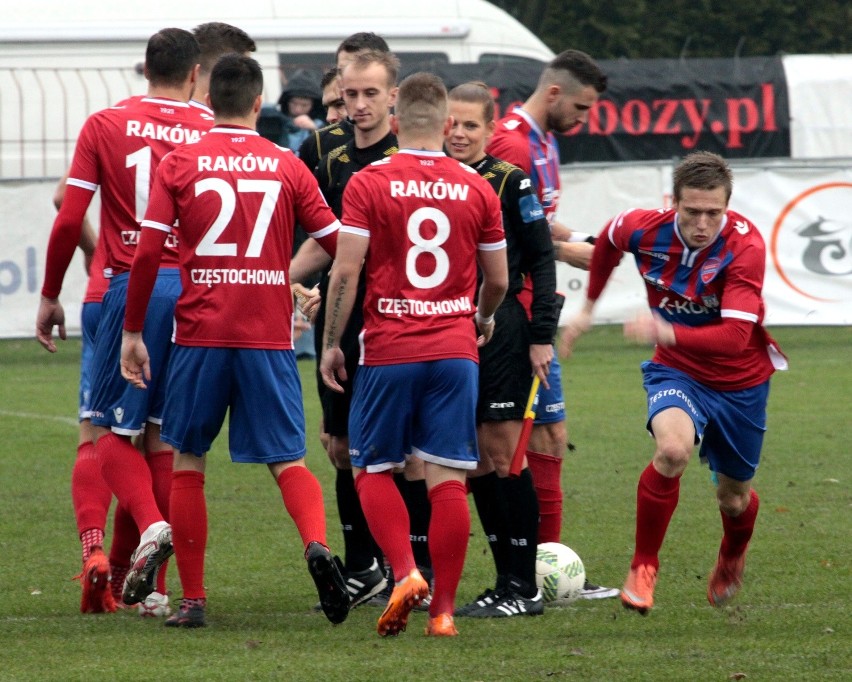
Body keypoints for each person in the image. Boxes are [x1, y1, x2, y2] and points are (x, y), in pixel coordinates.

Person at [119, 53, 350, 629]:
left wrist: (131, 331)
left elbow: (148, 252)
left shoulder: (181, 162)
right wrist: (302, 283)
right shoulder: (286, 163)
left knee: (189, 460)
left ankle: (194, 601)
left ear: (207, 102)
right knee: (287, 460)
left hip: (200, 333)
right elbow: (338, 239)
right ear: (256, 103)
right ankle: (317, 546)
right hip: (267, 337)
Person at [49, 22, 257, 616]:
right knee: (165, 437)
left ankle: (102, 555)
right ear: (199, 76)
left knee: (101, 432)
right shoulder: (210, 132)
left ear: (145, 68)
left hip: (116, 291)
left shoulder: (106, 122)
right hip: (191, 294)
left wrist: (48, 292)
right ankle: (149, 586)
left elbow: (68, 214)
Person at [320, 71, 508, 637]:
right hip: (454, 349)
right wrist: (482, 317)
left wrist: (331, 342)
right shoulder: (478, 187)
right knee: (449, 477)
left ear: (397, 123)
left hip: (390, 347)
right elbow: (496, 279)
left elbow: (346, 269)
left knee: (371, 468)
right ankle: (445, 612)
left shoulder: (369, 181)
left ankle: (404, 572)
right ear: (449, 125)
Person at [559, 151, 788, 614]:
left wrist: (666, 329)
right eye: (692, 212)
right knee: (672, 450)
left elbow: (734, 337)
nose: (703, 223)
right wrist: (588, 308)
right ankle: (644, 566)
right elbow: (608, 240)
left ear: (728, 206)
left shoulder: (745, 247)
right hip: (676, 369)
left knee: (734, 496)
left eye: (714, 213)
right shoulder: (644, 228)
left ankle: (732, 552)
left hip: (740, 382)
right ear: (673, 202)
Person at [487, 48, 617, 600]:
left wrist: (580, 238)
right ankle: (538, 573)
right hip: (518, 311)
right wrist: (568, 253)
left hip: (537, 305)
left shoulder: (541, 140)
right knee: (527, 442)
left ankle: (549, 568)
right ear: (556, 93)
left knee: (549, 437)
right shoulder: (512, 142)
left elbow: (539, 214)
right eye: (583, 109)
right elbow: (505, 229)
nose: (584, 121)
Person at [445, 82, 556, 618]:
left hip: (501, 329)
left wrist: (541, 335)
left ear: (492, 130)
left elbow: (541, 260)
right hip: (445, 328)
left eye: (470, 125)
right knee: (477, 464)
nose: (459, 133)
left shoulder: (511, 181)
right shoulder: (432, 178)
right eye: (452, 123)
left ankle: (524, 586)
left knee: (500, 456)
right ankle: (505, 583)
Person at [297, 31, 390, 173]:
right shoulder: (319, 148)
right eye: (341, 71)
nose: (347, 77)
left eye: (358, 68)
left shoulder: (411, 141)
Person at [276, 69, 326, 151]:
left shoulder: (320, 124)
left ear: (314, 106)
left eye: (304, 105)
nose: (298, 110)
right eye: (294, 103)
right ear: (286, 102)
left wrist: (315, 129)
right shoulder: (275, 122)